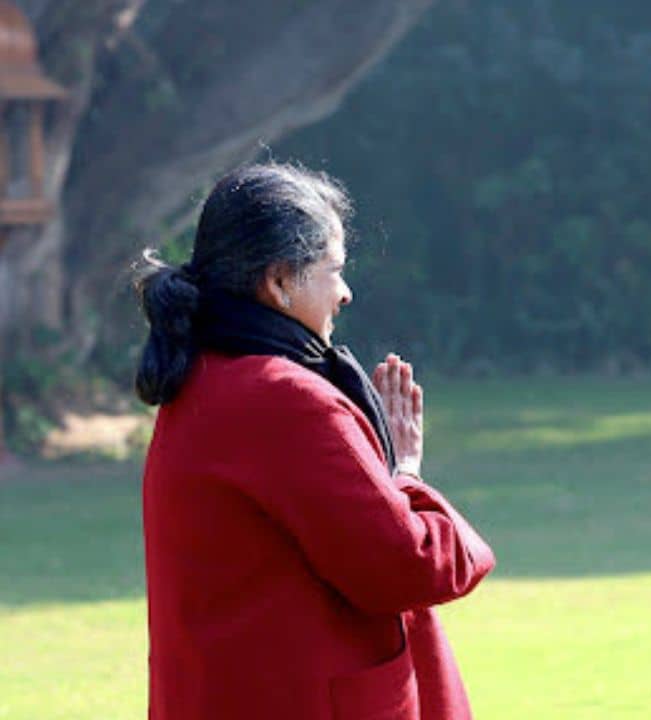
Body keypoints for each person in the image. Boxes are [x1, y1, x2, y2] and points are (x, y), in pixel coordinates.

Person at [133, 163, 495, 720]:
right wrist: (406, 476)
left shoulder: (202, 382)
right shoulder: (283, 399)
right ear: (278, 282)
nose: (346, 293)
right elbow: (410, 565)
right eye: (335, 269)